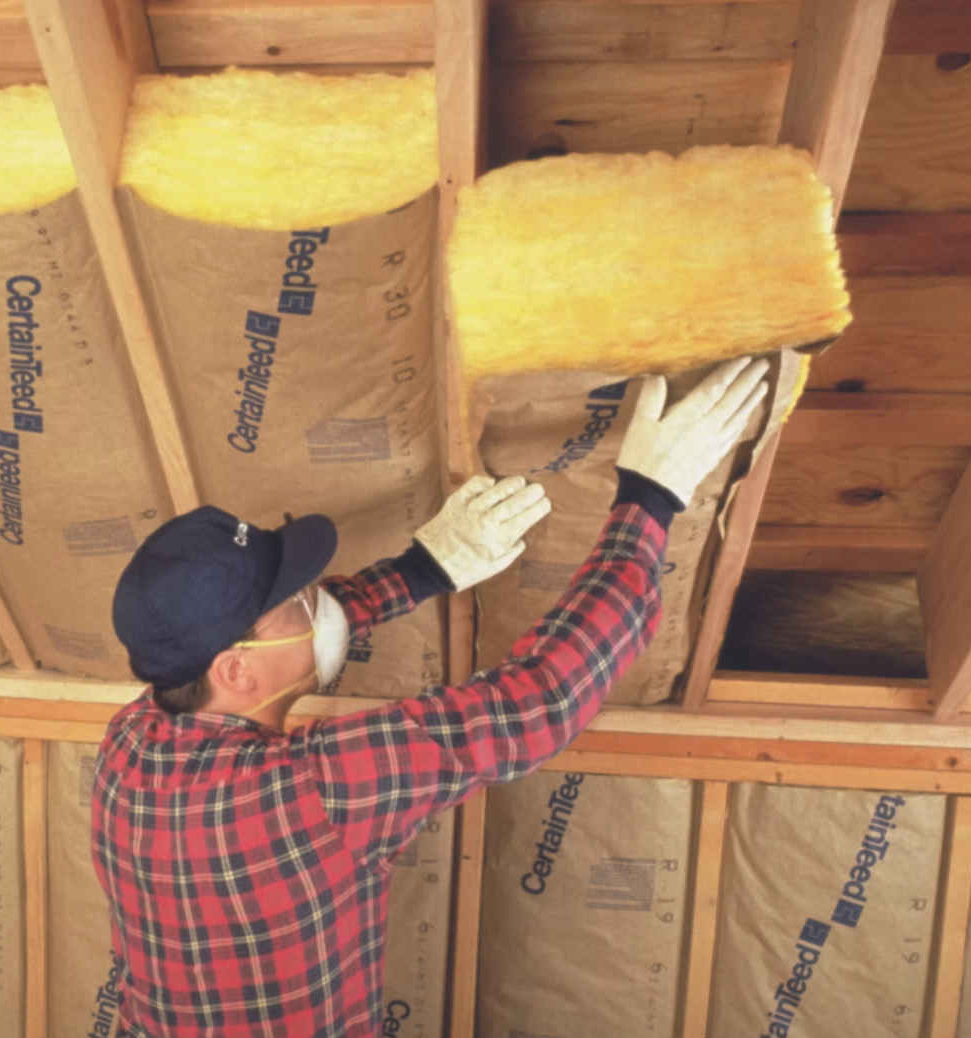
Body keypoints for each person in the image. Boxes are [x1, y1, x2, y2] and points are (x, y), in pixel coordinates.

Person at [95, 356, 771, 1037]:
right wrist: (650, 498)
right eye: (296, 598)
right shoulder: (314, 789)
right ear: (237, 671)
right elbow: (539, 700)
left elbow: (302, 634)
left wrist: (423, 570)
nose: (317, 595)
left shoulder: (129, 741)